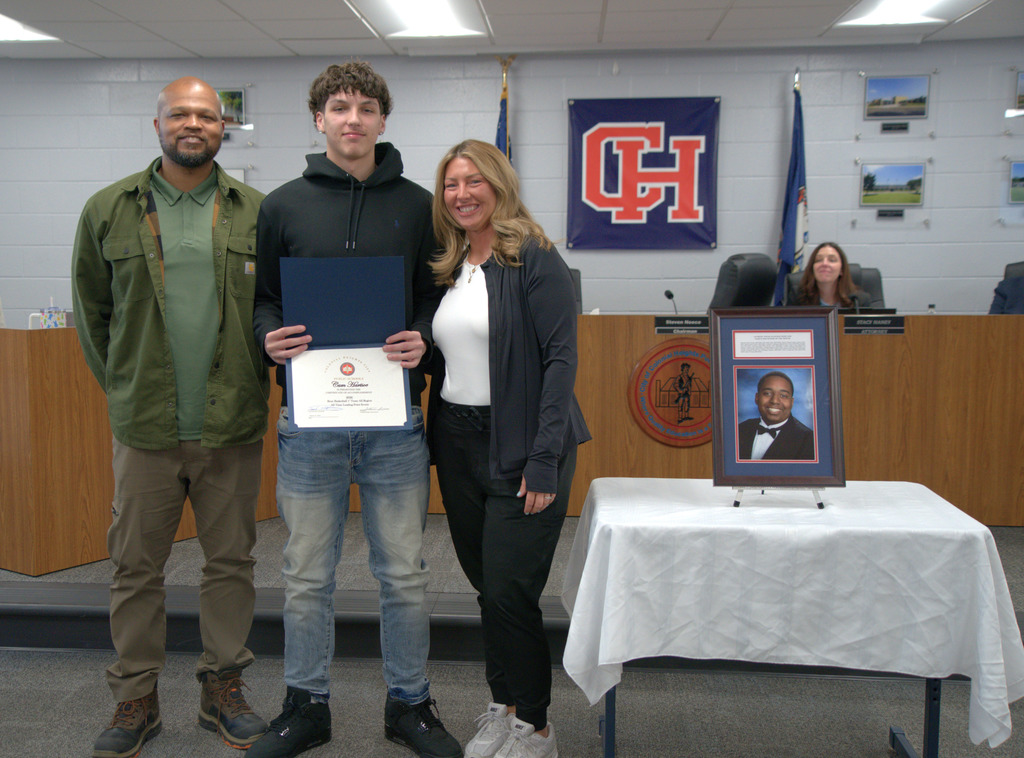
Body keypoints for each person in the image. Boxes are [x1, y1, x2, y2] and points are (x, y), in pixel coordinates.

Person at [249, 62, 460, 758]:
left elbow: (437, 298)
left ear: (381, 121)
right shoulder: (281, 205)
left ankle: (410, 704)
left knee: (402, 571)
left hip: (392, 422)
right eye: (339, 107)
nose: (353, 119)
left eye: (366, 108)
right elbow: (266, 302)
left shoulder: (420, 204)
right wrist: (268, 337)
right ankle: (306, 704)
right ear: (319, 120)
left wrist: (423, 335)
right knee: (306, 573)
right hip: (309, 424)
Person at [71, 77, 270, 758]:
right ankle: (135, 698)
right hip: (147, 429)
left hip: (231, 424)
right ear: (155, 122)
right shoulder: (108, 209)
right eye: (180, 114)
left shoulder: (255, 212)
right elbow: (92, 315)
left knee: (232, 563)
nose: (194, 124)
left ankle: (224, 690)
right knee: (134, 567)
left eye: (207, 116)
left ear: (224, 127)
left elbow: (275, 311)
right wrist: (124, 388)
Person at [427, 139, 591, 758]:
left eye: (473, 181)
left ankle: (538, 726)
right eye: (450, 185)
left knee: (509, 591)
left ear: (499, 186)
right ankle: (505, 705)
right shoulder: (451, 264)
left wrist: (545, 457)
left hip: (524, 444)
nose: (462, 194)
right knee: (484, 585)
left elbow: (560, 361)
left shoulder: (535, 259)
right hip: (459, 440)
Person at [737, 371, 815, 461]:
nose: (774, 401)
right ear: (757, 398)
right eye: (767, 393)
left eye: (783, 395)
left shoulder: (808, 440)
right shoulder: (740, 429)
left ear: (792, 402)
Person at [790, 242, 868, 308]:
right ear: (812, 269)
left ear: (842, 270)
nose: (824, 264)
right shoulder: (798, 298)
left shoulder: (858, 300)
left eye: (832, 260)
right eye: (819, 260)